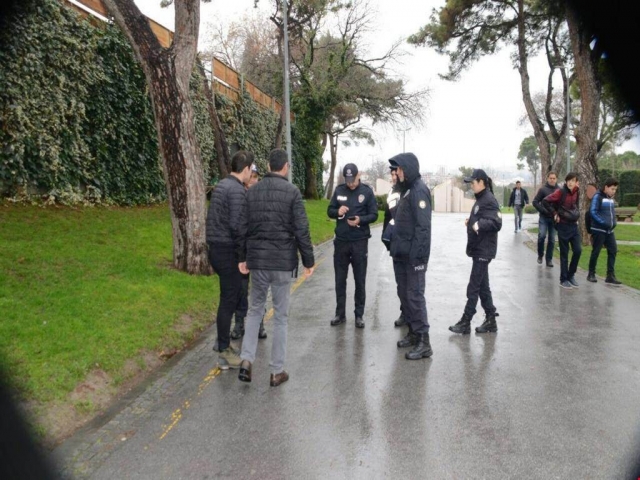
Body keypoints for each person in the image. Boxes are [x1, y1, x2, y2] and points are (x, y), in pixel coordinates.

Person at [238, 149, 315, 387]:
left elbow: (243, 227)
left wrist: (243, 258)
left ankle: (246, 361)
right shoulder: (292, 193)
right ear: (285, 167)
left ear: (268, 166)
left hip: (258, 262)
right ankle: (276, 371)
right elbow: (301, 229)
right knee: (280, 316)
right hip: (282, 263)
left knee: (254, 310)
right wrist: (309, 261)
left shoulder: (252, 192)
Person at [206, 151, 253, 369]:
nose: (251, 173)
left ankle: (222, 343)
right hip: (227, 252)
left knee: (228, 298)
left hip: (215, 249)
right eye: (251, 169)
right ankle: (223, 350)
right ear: (245, 169)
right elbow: (237, 227)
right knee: (229, 300)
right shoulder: (236, 191)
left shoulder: (221, 186)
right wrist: (242, 258)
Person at [388, 153, 433, 360]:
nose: (396, 173)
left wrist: (418, 257)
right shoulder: (406, 190)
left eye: (398, 169)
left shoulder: (419, 191)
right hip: (402, 255)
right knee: (405, 294)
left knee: (415, 296)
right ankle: (414, 334)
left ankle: (424, 342)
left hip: (414, 257)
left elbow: (423, 228)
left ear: (407, 169)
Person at [449, 169, 503, 335]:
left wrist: (478, 225)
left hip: (484, 250)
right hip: (480, 248)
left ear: (481, 182)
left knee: (473, 286)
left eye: (473, 183)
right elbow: (482, 217)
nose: (471, 186)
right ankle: (491, 320)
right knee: (482, 287)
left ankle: (466, 321)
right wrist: (471, 221)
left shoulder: (489, 199)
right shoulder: (482, 199)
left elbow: (496, 222)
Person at [327, 163, 379, 329]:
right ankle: (340, 314)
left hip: (359, 241)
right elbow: (329, 210)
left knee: (359, 280)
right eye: (348, 180)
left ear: (358, 176)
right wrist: (338, 211)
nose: (350, 183)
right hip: (341, 242)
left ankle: (359, 315)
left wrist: (360, 220)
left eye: (353, 180)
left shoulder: (367, 192)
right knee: (340, 280)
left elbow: (374, 215)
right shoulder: (339, 190)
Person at [231, 164, 267, 341]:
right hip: (242, 251)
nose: (253, 181)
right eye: (251, 177)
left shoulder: (263, 197)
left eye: (256, 177)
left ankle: (260, 323)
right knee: (241, 289)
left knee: (259, 290)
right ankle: (239, 323)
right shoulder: (239, 196)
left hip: (258, 250)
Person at [542, 172, 582, 289]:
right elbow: (545, 201)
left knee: (578, 251)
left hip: (574, 226)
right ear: (566, 181)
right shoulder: (560, 192)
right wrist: (554, 213)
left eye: (573, 180)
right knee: (564, 254)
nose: (570, 182)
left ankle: (571, 275)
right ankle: (563, 279)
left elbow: (576, 204)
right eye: (568, 180)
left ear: (576, 182)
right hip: (563, 226)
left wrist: (577, 215)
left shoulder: (577, 192)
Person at [381, 163, 406, 327]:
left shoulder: (407, 192)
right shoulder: (391, 192)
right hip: (394, 244)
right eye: (391, 174)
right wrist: (385, 238)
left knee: (408, 284)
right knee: (400, 283)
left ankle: (409, 314)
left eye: (395, 173)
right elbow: (387, 216)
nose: (393, 176)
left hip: (406, 244)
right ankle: (404, 312)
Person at [587, 178, 622, 286]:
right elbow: (593, 212)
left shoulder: (610, 198)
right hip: (599, 230)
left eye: (615, 189)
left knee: (613, 250)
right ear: (606, 187)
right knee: (596, 251)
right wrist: (603, 223)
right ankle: (591, 274)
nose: (613, 191)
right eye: (612, 189)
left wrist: (613, 222)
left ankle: (610, 275)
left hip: (609, 231)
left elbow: (611, 213)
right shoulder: (598, 196)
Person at [532, 171, 560, 267]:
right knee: (542, 236)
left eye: (554, 178)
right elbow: (535, 202)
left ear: (556, 179)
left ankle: (549, 259)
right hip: (544, 217)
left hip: (553, 219)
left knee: (552, 239)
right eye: (550, 178)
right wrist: (543, 210)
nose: (552, 180)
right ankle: (540, 255)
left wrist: (558, 214)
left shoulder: (559, 190)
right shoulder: (543, 190)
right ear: (547, 179)